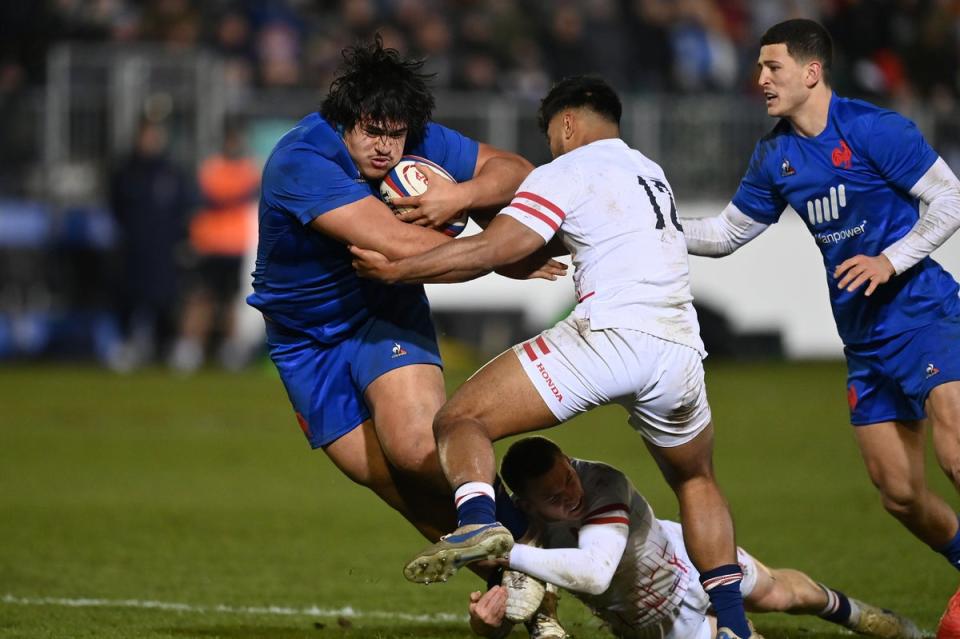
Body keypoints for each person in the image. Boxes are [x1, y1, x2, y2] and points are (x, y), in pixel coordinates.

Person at [351, 75, 755, 639]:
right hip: (680, 348)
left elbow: (496, 248)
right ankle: (733, 625)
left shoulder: (566, 169)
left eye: (551, 136)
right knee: (696, 480)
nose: (551, 147)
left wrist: (400, 268)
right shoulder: (650, 173)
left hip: (612, 333)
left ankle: (477, 524)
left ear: (566, 125)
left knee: (460, 420)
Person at [678, 19, 960, 636]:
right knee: (899, 494)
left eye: (771, 67)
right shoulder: (775, 154)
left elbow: (951, 199)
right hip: (864, 339)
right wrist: (653, 223)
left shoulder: (873, 129)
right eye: (758, 68)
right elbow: (727, 235)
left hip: (927, 314)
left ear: (811, 71)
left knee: (955, 451)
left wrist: (891, 259)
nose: (760, 79)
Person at [246, 36, 558, 554]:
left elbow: (515, 170)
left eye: (396, 134)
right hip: (304, 340)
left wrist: (461, 194)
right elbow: (399, 246)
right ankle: (521, 583)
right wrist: (501, 253)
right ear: (346, 120)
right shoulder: (301, 160)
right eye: (372, 131)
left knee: (415, 451)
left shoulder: (415, 138)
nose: (386, 147)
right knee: (397, 486)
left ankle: (540, 547)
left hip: (382, 311)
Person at [466, 436, 924, 639]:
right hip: (655, 621)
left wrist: (508, 555)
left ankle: (859, 615)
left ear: (570, 460)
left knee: (784, 594)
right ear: (526, 506)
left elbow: (593, 574)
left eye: (568, 476)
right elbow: (513, 612)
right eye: (552, 495)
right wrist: (483, 626)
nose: (571, 494)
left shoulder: (602, 481)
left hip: (691, 558)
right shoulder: (528, 537)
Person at [171, 121, 260, 373]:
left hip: (235, 246)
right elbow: (210, 198)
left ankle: (231, 350)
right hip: (210, 244)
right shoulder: (213, 169)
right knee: (201, 298)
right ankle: (189, 348)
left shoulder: (248, 170)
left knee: (231, 301)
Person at [108, 118, 194, 372]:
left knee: (165, 299)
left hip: (164, 247)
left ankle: (165, 347)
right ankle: (126, 345)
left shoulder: (171, 172)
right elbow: (117, 207)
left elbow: (182, 209)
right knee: (130, 297)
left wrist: (182, 239)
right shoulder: (125, 171)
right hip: (134, 245)